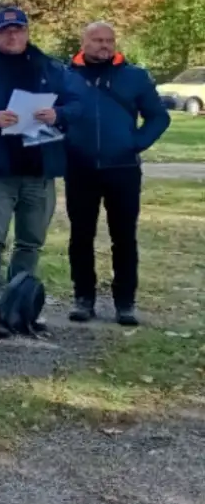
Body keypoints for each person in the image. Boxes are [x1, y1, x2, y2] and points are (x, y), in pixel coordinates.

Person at [0, 8, 76, 338]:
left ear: (27, 32)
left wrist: (57, 113)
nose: (12, 36)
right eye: (5, 31)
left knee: (30, 242)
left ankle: (18, 305)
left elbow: (78, 104)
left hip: (39, 169)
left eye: (18, 30)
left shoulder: (51, 68)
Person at [64, 22, 169, 327]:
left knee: (123, 237)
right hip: (79, 169)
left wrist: (134, 143)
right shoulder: (65, 76)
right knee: (81, 236)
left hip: (123, 170)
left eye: (109, 40)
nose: (104, 45)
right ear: (83, 42)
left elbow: (158, 117)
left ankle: (125, 303)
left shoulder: (134, 76)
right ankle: (83, 299)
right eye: (97, 40)